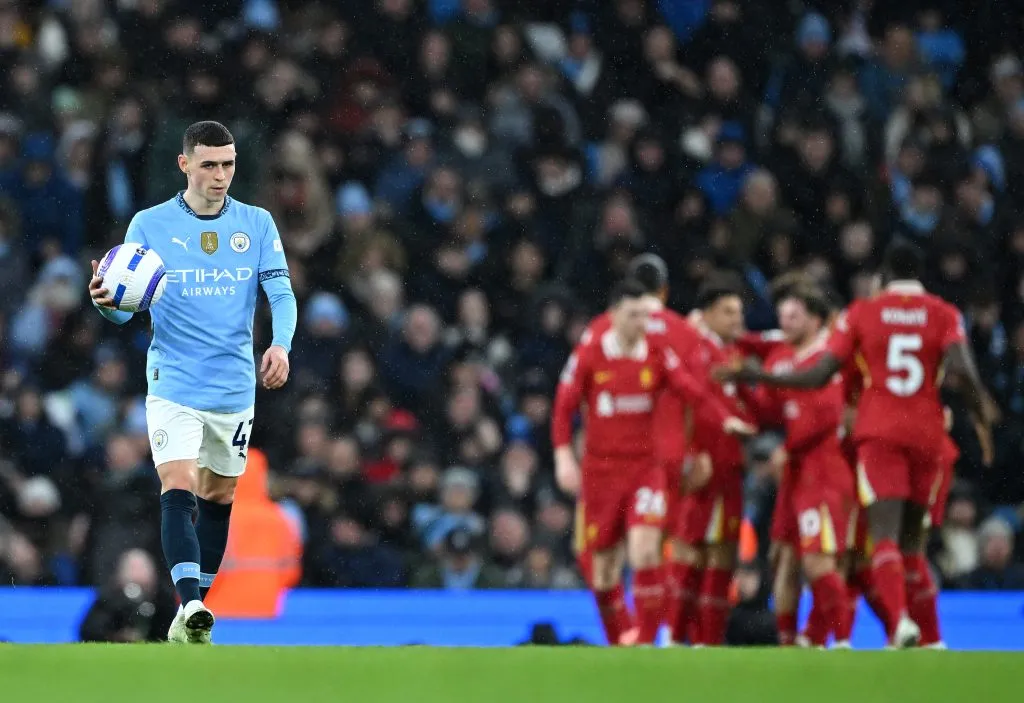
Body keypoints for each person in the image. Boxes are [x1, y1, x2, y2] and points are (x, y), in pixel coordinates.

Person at [717, 240, 996, 648]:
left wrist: (759, 377)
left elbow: (818, 375)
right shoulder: (944, 313)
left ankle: (896, 624)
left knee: (880, 540)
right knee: (912, 546)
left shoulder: (863, 313)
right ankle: (931, 639)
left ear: (883, 277)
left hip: (877, 435)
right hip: (928, 435)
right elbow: (963, 370)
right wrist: (983, 419)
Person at [88, 121, 298, 644]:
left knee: (219, 496)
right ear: (185, 164)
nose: (220, 175)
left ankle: (187, 617)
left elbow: (283, 295)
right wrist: (104, 303)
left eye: (227, 164)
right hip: (172, 379)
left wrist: (280, 345)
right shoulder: (150, 224)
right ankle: (194, 602)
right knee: (177, 484)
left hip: (233, 385)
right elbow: (125, 307)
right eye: (209, 164)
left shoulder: (257, 223)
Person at [552, 279, 754, 646]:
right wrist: (563, 455)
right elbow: (564, 405)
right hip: (601, 472)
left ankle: (646, 641)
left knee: (645, 549)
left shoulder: (658, 352)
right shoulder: (591, 351)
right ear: (613, 316)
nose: (642, 323)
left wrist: (724, 420)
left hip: (646, 469)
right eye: (633, 315)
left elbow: (691, 390)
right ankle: (621, 642)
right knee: (603, 571)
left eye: (646, 315)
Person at [576, 253, 704, 643]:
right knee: (660, 551)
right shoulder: (684, 332)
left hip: (619, 455)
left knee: (602, 553)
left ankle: (627, 636)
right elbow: (696, 395)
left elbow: (584, 393)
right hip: (672, 456)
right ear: (664, 291)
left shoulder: (599, 329)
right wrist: (699, 451)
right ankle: (664, 634)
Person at [742, 286, 855, 648]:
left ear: (815, 319)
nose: (784, 324)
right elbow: (768, 410)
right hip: (794, 470)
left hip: (824, 468)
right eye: (782, 317)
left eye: (793, 317)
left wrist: (785, 450)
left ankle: (840, 640)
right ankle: (790, 643)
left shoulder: (829, 358)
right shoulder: (780, 358)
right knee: (783, 559)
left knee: (819, 562)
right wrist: (746, 392)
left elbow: (823, 420)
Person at [672, 273, 755, 646]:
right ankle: (675, 638)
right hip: (702, 466)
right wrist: (690, 455)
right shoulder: (691, 347)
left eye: (738, 312)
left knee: (722, 556)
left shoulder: (730, 353)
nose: (737, 319)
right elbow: (682, 406)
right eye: (728, 312)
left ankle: (709, 642)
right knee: (691, 552)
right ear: (705, 314)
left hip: (729, 467)